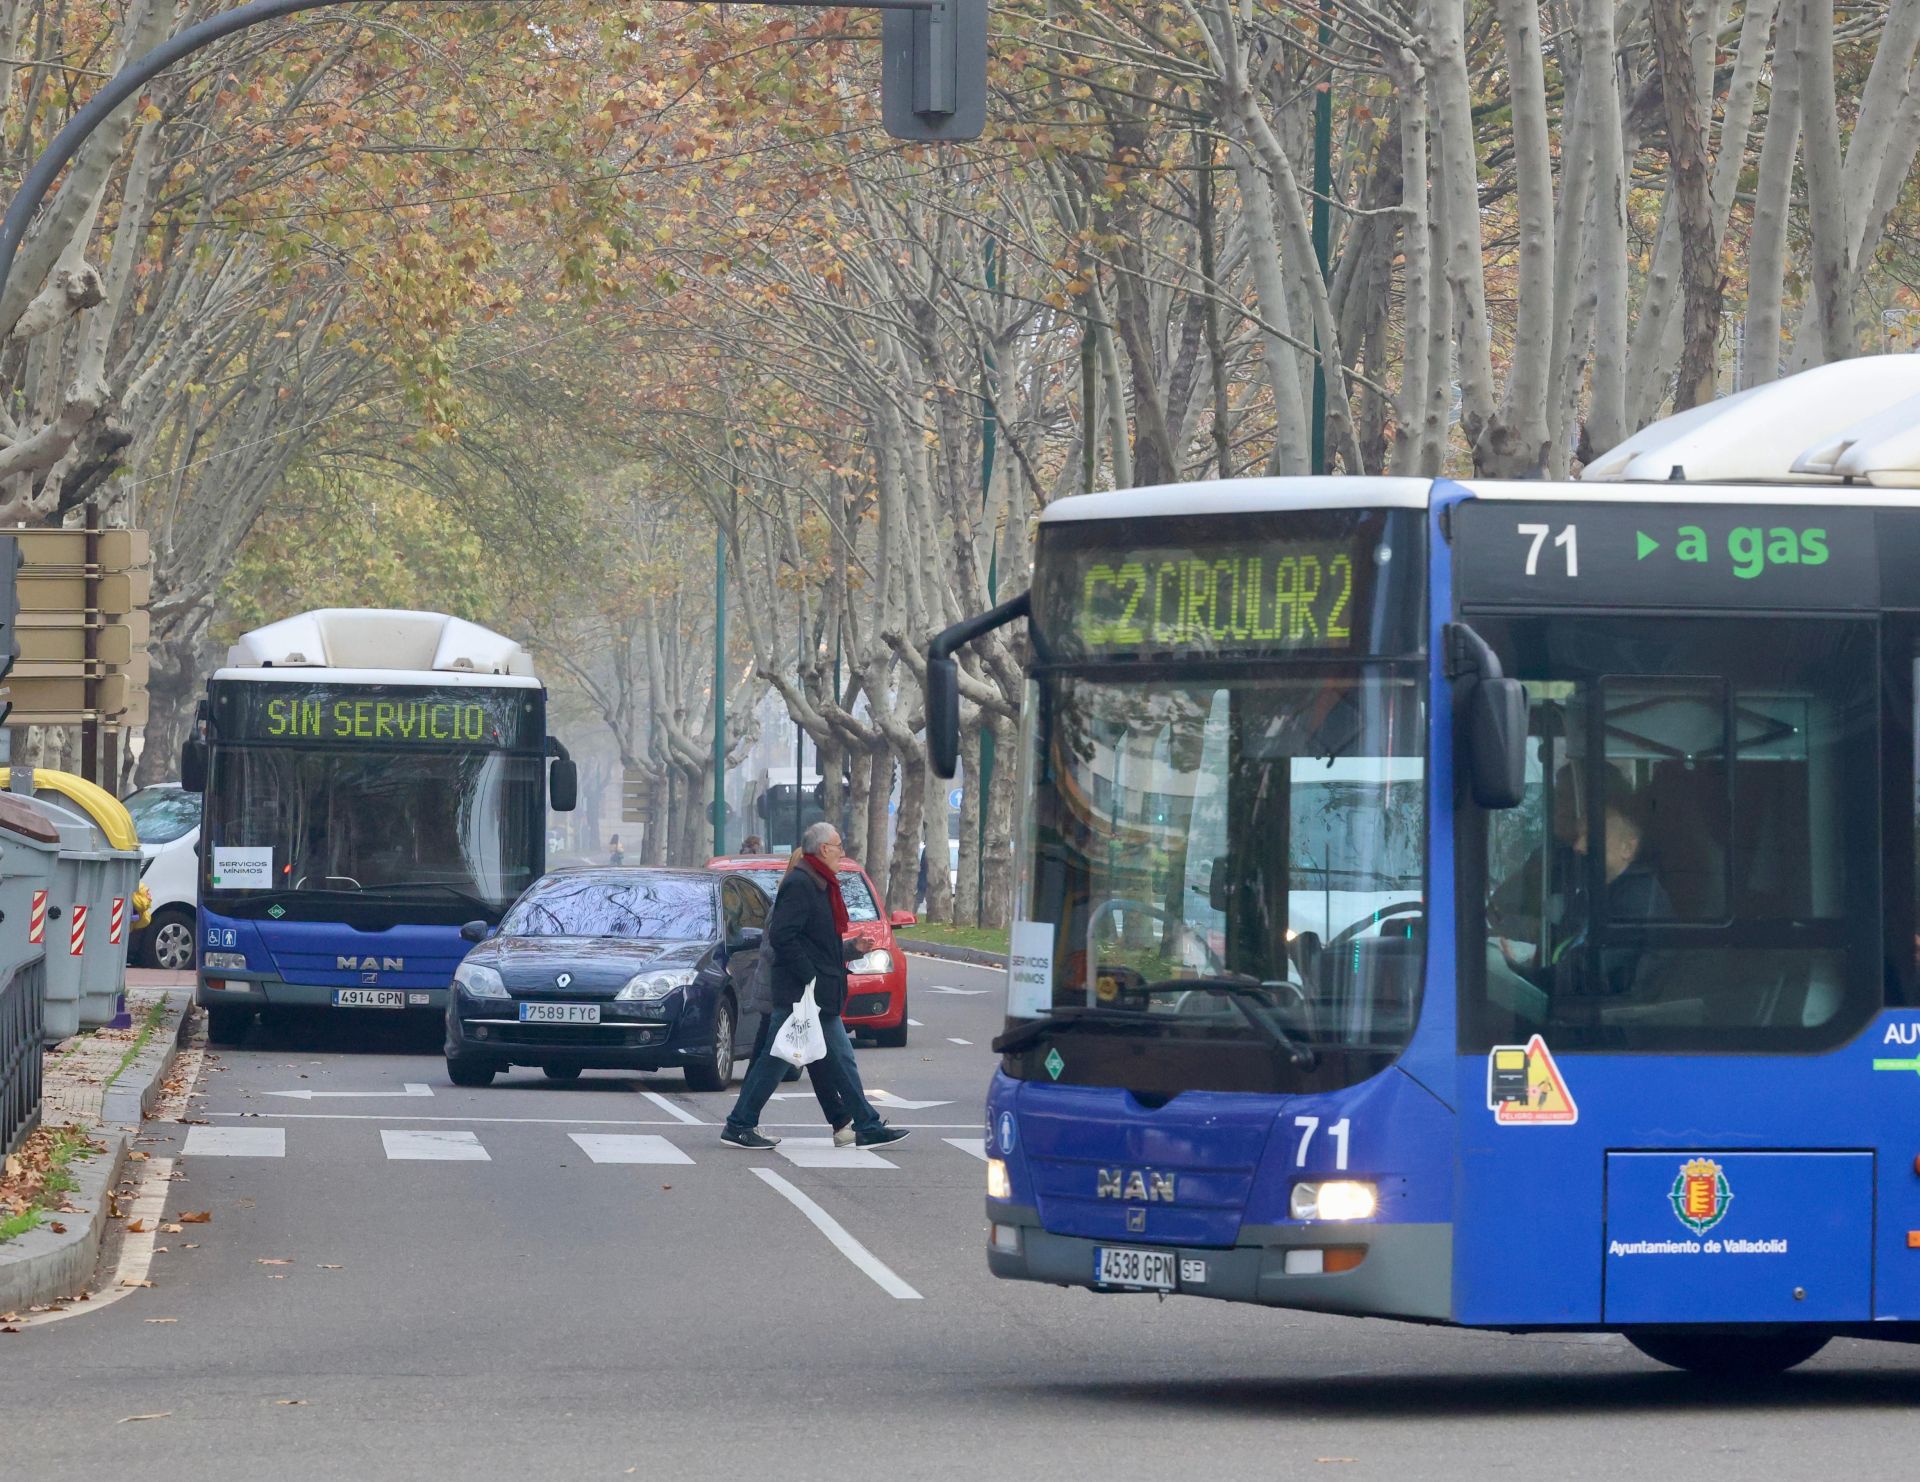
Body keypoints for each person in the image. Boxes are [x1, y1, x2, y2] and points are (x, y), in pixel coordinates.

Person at [722, 822, 910, 1151]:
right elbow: (783, 937)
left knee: (837, 1059)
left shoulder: (820, 884)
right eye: (838, 846)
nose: (842, 852)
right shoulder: (801, 884)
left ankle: (866, 1123)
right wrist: (809, 976)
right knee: (775, 1060)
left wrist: (851, 950)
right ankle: (740, 1123)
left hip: (816, 993)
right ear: (824, 849)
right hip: (801, 994)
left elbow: (817, 943)